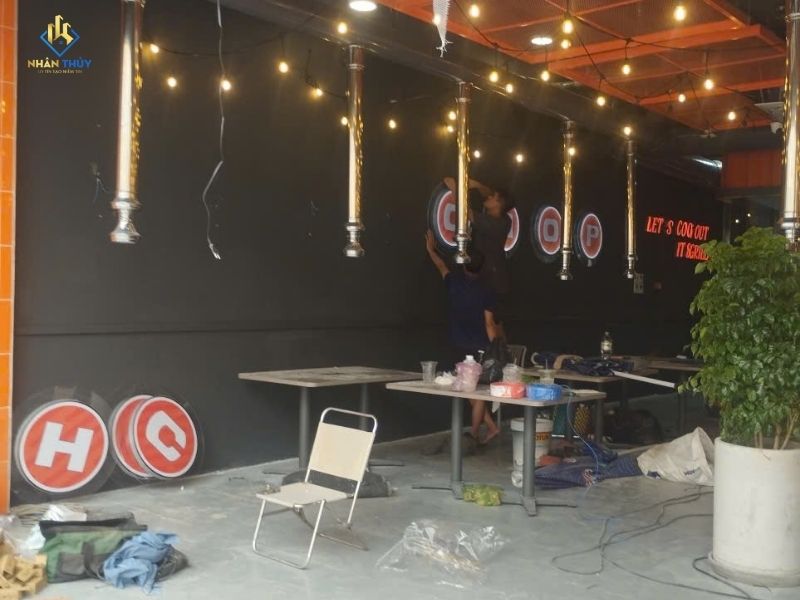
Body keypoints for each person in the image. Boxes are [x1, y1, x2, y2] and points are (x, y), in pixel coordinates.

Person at [426, 229, 500, 444]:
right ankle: (488, 429)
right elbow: (489, 323)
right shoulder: (487, 290)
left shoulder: (454, 282)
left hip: (459, 343)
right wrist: (496, 347)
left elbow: (441, 266)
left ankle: (476, 433)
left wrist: (431, 250)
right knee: (474, 391)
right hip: (480, 346)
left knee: (471, 390)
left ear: (464, 263)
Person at [443, 177, 514, 337]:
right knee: (492, 322)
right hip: (494, 279)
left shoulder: (495, 224)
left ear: (499, 204)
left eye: (493, 197)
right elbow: (486, 193)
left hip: (493, 281)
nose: (488, 197)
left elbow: (467, 213)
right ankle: (497, 349)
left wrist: (456, 190)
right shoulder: (503, 218)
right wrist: (478, 185)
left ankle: (499, 350)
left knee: (493, 324)